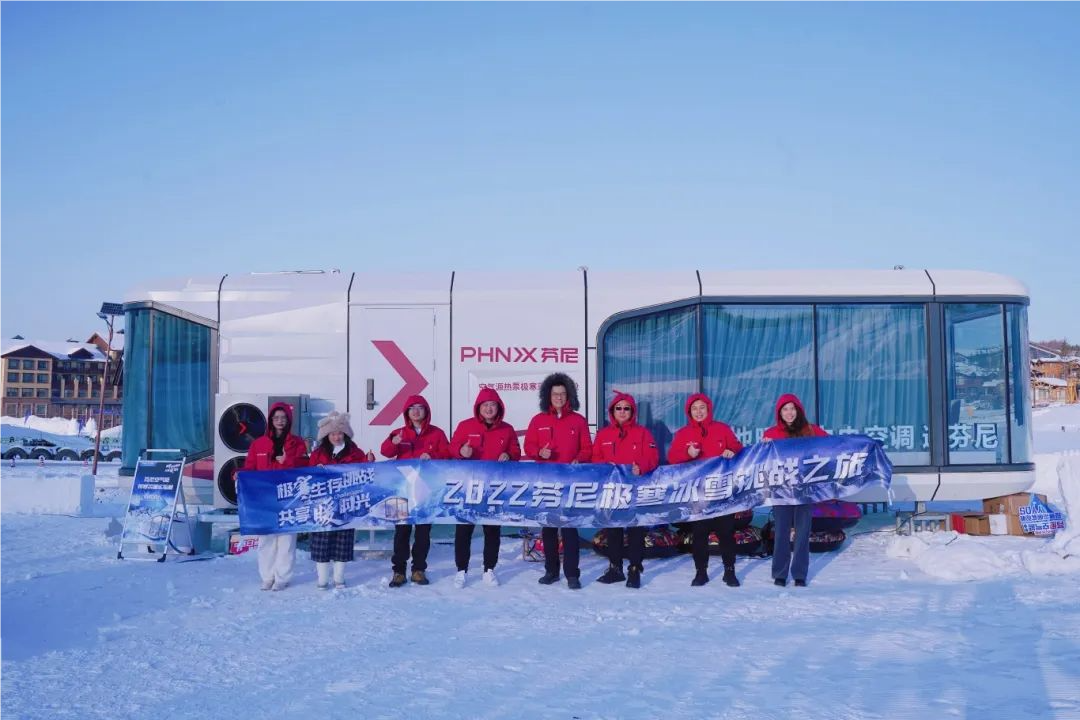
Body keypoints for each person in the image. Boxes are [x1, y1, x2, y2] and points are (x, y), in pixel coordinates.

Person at [668, 392, 744, 588]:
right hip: (697, 497)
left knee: (726, 534)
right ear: (689, 412)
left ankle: (729, 571)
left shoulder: (722, 429)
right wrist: (687, 453)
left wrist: (732, 451)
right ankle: (701, 572)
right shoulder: (683, 434)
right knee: (699, 535)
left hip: (722, 495)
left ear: (708, 409)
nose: (699, 412)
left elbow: (738, 447)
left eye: (702, 408)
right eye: (695, 409)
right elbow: (672, 459)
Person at [524, 372, 592, 589]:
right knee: (549, 530)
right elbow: (529, 447)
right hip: (547, 483)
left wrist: (578, 459)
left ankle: (572, 574)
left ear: (569, 395)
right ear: (548, 396)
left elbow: (587, 449)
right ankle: (551, 571)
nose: (559, 398)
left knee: (570, 530)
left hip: (571, 484)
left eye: (563, 394)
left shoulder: (578, 420)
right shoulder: (538, 420)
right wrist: (538, 453)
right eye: (555, 394)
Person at [448, 387, 521, 588]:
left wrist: (510, 455)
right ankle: (461, 570)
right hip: (468, 487)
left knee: (492, 530)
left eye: (493, 405)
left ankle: (489, 569)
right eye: (485, 405)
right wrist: (461, 451)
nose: (489, 409)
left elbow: (516, 451)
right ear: (478, 408)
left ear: (499, 407)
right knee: (463, 531)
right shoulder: (465, 426)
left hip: (494, 489)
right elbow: (451, 448)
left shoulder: (506, 429)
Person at [380, 394, 450, 588]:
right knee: (401, 532)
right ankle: (399, 571)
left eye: (420, 407)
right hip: (401, 490)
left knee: (423, 532)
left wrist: (433, 455)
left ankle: (419, 569)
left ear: (426, 411)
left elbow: (447, 454)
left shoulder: (437, 433)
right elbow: (385, 451)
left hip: (426, 491)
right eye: (412, 408)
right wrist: (393, 442)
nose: (416, 411)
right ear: (406, 413)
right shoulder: (399, 432)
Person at [591, 391, 659, 589]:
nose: (622, 412)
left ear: (632, 411)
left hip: (636, 491)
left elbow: (653, 457)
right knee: (613, 531)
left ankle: (635, 569)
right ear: (612, 411)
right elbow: (595, 459)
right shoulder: (604, 434)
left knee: (636, 531)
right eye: (618, 408)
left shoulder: (643, 433)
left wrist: (641, 466)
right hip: (612, 492)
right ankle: (615, 568)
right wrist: (606, 465)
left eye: (626, 408)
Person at [763, 393, 828, 588]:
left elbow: (833, 448)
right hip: (781, 491)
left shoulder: (811, 430)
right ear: (779, 413)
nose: (789, 413)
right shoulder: (772, 433)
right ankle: (780, 573)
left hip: (805, 490)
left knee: (802, 532)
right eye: (785, 409)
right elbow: (762, 461)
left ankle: (800, 573)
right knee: (781, 532)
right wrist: (764, 448)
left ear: (798, 410)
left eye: (792, 408)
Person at [243, 401, 309, 591]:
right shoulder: (259, 443)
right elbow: (250, 467)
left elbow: (304, 466)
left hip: (289, 498)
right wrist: (239, 475)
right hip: (266, 499)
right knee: (266, 539)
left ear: (289, 420)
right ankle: (267, 576)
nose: (280, 421)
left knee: (287, 539)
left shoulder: (296, 443)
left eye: (283, 418)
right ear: (270, 420)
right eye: (276, 418)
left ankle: (282, 577)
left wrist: (288, 460)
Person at [308, 411, 376, 589]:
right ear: (326, 436)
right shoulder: (317, 454)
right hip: (323, 505)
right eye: (332, 434)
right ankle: (322, 579)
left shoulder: (355, 452)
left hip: (347, 503)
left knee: (343, 540)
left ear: (345, 434)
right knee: (321, 540)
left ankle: (339, 577)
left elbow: (366, 473)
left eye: (339, 433)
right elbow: (308, 475)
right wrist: (316, 471)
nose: (336, 437)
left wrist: (370, 462)